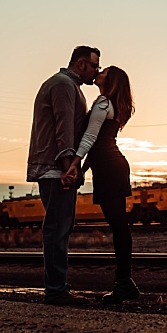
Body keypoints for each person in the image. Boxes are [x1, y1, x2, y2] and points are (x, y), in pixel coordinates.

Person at [26, 45, 100, 306]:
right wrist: (69, 166)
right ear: (81, 64)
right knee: (57, 229)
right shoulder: (63, 85)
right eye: (94, 66)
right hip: (57, 169)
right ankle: (56, 290)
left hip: (58, 168)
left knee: (60, 227)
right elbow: (63, 126)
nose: (97, 72)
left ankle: (57, 287)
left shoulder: (69, 86)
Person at [73, 65, 140, 304]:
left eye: (104, 71)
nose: (98, 71)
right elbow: (99, 142)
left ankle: (124, 283)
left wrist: (75, 161)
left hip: (110, 168)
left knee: (119, 227)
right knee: (119, 226)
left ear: (110, 80)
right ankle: (124, 283)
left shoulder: (103, 103)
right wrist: (82, 169)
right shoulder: (110, 104)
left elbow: (90, 138)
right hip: (111, 166)